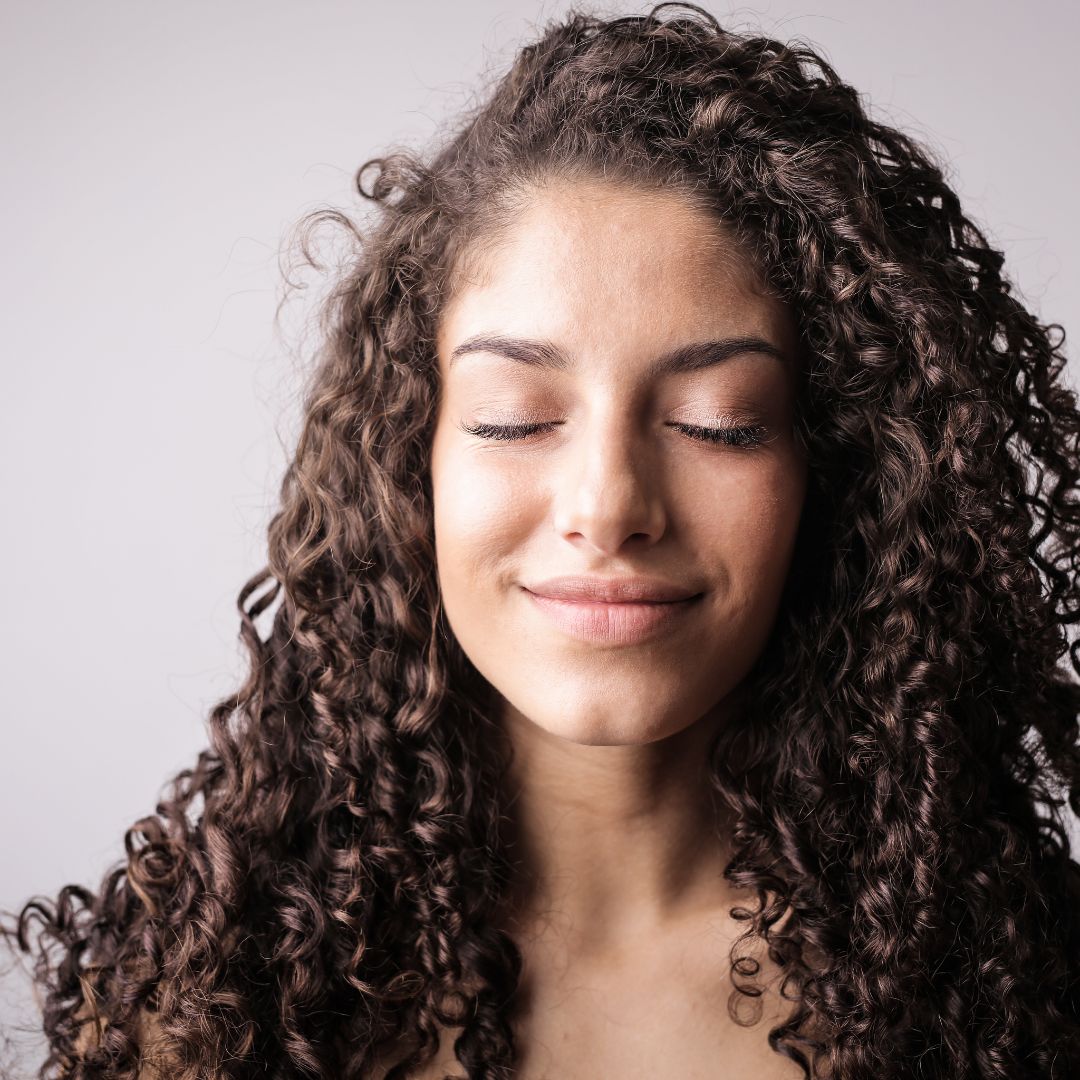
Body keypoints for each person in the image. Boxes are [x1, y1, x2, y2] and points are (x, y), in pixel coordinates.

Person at [5, 4, 1080, 1078]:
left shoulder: (1007, 996)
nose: (608, 505)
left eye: (718, 421)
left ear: (836, 469)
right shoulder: (215, 998)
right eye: (515, 417)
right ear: (404, 463)